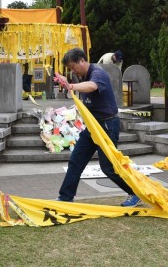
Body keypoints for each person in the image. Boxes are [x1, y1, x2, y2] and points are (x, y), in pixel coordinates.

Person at [54, 48, 140, 207]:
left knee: (108, 167)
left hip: (108, 125)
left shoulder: (97, 73)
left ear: (81, 60)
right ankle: (65, 198)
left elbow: (92, 86)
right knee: (76, 160)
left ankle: (135, 193)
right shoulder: (83, 76)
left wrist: (71, 86)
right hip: (93, 127)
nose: (73, 71)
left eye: (73, 66)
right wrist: (68, 84)